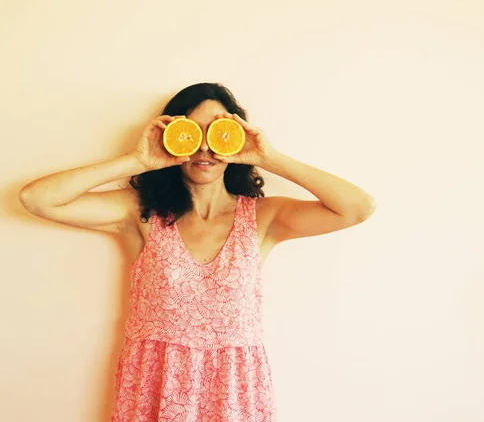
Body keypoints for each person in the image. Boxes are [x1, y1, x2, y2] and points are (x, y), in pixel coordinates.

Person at [19, 82, 375, 421]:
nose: (204, 147)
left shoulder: (264, 217)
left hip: (236, 394)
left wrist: (270, 158)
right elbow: (37, 199)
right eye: (192, 132)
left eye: (218, 132)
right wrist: (137, 161)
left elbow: (357, 208)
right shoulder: (142, 213)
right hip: (155, 387)